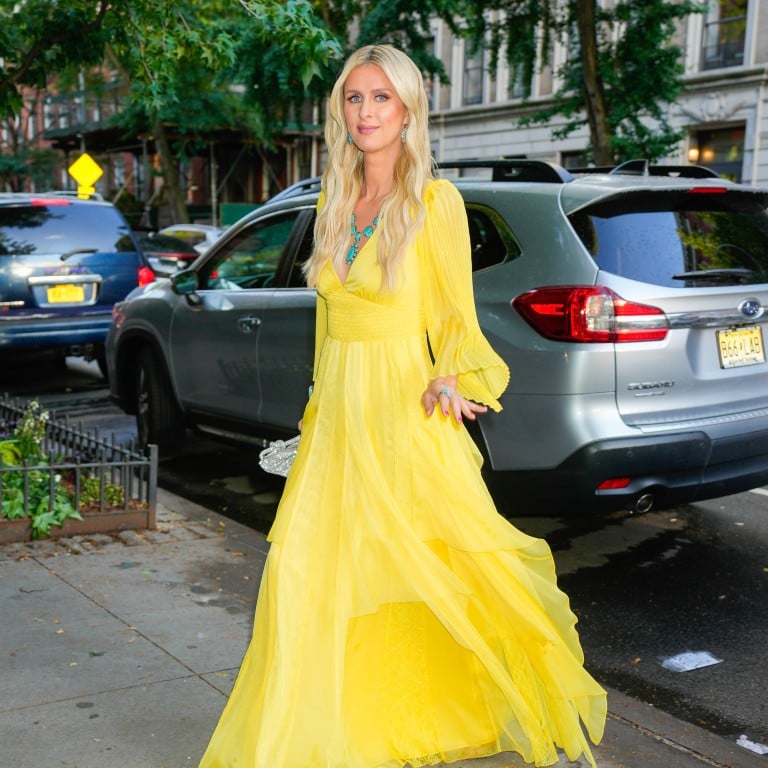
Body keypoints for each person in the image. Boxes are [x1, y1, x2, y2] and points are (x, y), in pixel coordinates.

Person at [198, 44, 607, 768]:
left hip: (403, 408)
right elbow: (328, 324)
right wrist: (315, 409)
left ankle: (488, 697)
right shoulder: (332, 201)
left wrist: (456, 377)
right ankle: (323, 728)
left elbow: (455, 318)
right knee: (307, 572)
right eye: (354, 99)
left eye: (381, 97)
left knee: (444, 566)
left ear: (410, 108)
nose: (365, 112)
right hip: (339, 419)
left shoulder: (433, 203)